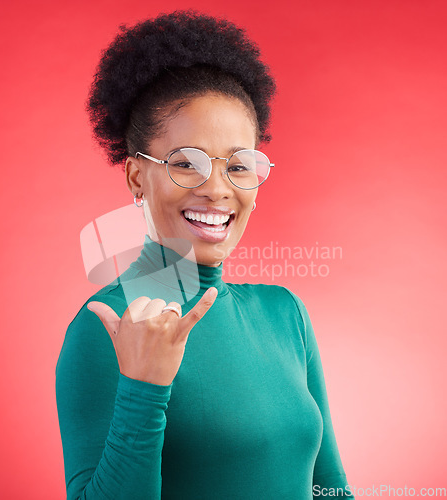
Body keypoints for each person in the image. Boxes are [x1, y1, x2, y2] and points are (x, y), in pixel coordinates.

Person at [55, 10, 354, 499]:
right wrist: (144, 387)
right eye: (185, 164)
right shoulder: (107, 326)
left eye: (239, 165)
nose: (217, 189)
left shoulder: (286, 315)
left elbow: (331, 489)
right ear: (136, 177)